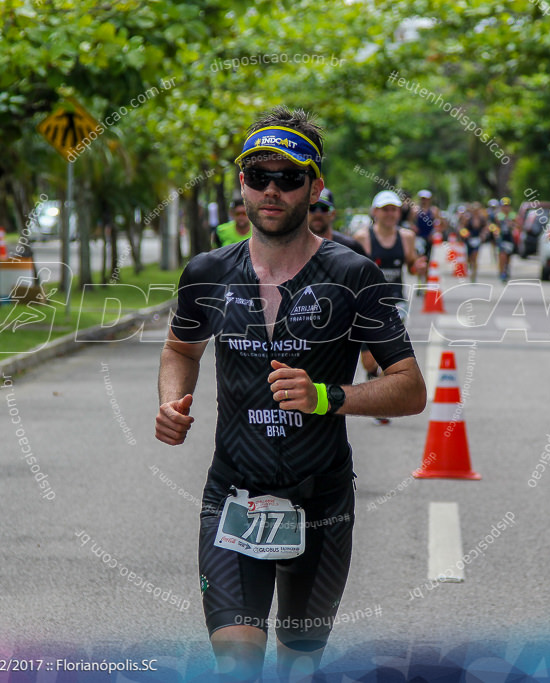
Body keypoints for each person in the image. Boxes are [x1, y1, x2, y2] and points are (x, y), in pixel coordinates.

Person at [155, 106, 426, 682]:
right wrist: (172, 400)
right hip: (233, 494)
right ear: (242, 185)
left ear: (315, 185)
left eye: (289, 177)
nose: (271, 190)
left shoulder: (353, 277)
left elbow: (409, 389)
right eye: (258, 176)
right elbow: (181, 350)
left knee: (297, 668)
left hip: (320, 502)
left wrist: (328, 397)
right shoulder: (207, 272)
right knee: (237, 662)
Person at [353, 190, 427, 424]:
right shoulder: (362, 237)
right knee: (368, 360)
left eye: (393, 209)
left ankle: (381, 402)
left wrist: (419, 267)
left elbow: (411, 266)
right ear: (375, 212)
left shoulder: (406, 237)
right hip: (366, 303)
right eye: (385, 209)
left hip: (396, 302)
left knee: (388, 355)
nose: (389, 214)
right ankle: (373, 378)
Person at [307, 188, 364, 255]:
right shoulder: (295, 246)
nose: (318, 214)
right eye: (312, 208)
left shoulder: (349, 247)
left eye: (324, 209)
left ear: (333, 214)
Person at [495, 197, 516, 281]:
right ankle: (501, 272)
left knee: (508, 256)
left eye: (507, 206)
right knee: (502, 255)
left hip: (510, 238)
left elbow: (518, 225)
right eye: (504, 206)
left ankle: (506, 269)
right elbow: (496, 225)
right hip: (502, 237)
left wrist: (513, 225)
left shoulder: (513, 215)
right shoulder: (499, 215)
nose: (506, 208)